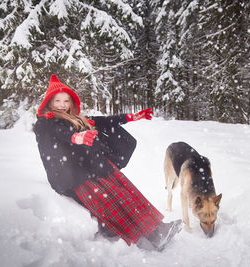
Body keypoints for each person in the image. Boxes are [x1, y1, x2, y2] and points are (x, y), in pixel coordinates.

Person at [33, 74, 181, 251]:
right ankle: (153, 236)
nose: (62, 105)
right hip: (77, 176)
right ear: (49, 102)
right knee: (117, 202)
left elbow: (103, 121)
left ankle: (158, 229)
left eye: (66, 100)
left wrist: (130, 117)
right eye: (57, 100)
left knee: (128, 195)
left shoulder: (75, 118)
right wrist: (76, 137)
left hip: (94, 166)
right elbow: (61, 134)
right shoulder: (46, 123)